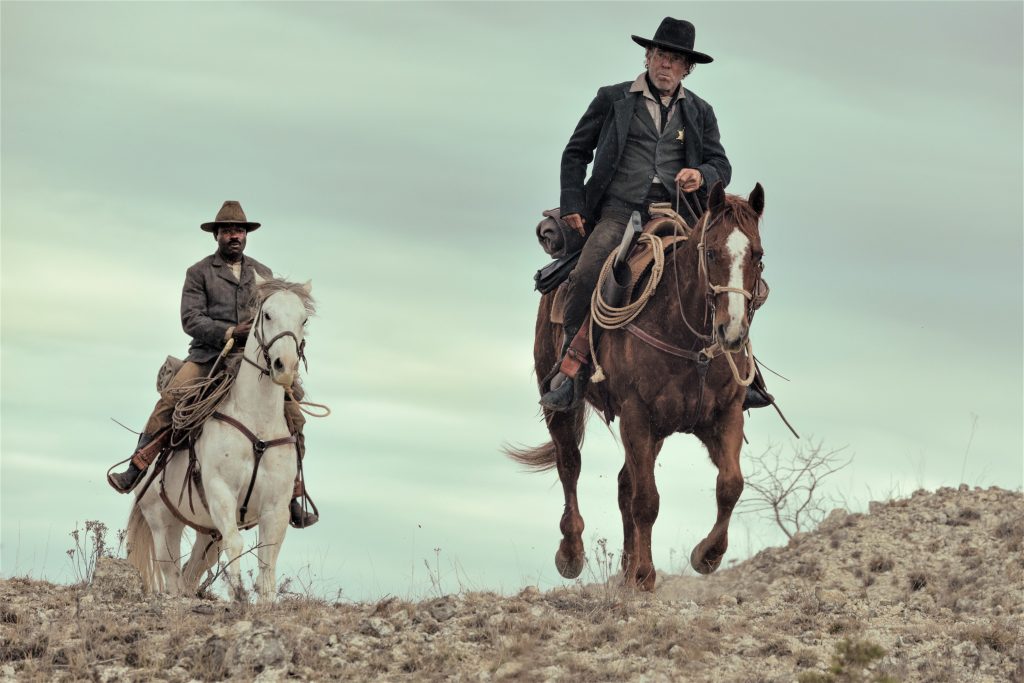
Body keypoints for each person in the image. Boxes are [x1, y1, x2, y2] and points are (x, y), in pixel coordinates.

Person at [542, 17, 769, 412]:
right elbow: (575, 153)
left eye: (676, 59)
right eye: (661, 55)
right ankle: (572, 368)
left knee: (731, 271)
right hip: (618, 212)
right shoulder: (611, 98)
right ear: (648, 57)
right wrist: (574, 204)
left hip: (681, 212)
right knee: (586, 274)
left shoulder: (700, 111)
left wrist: (702, 174)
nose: (666, 64)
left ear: (687, 68)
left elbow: (721, 164)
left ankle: (744, 371)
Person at [108, 201, 318, 528]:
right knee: (171, 400)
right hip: (209, 356)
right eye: (227, 231)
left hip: (253, 360)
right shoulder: (199, 273)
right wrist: (230, 331)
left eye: (239, 231)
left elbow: (275, 316)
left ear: (246, 236)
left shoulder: (263, 275)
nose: (234, 236)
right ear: (217, 235)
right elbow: (190, 319)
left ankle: (292, 493)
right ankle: (137, 467)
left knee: (294, 416)